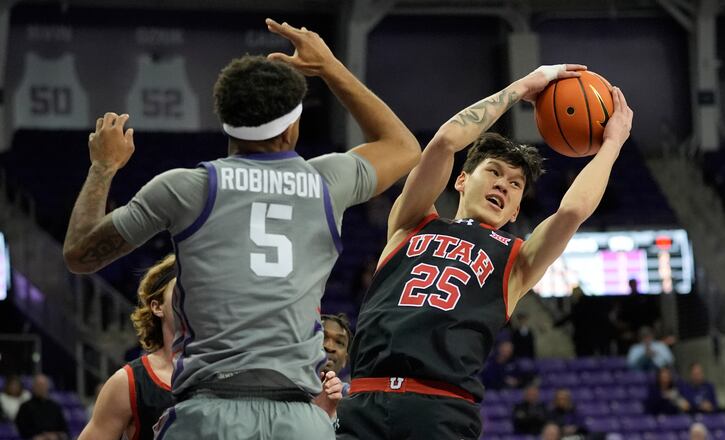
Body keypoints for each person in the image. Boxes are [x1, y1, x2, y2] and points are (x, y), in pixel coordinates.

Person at [61, 19, 420, 439]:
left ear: (226, 120)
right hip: (298, 418)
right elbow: (403, 147)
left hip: (208, 413)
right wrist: (329, 67)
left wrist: (103, 166)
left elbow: (80, 254)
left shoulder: (186, 187)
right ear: (292, 126)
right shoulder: (326, 182)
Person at [337, 64, 633, 438]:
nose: (503, 186)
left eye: (515, 185)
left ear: (514, 212)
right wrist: (523, 86)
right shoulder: (411, 222)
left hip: (440, 409)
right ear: (461, 180)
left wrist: (612, 145)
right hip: (365, 399)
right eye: (493, 172)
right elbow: (445, 141)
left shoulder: (517, 259)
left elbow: (572, 211)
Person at [78, 254, 177, 440]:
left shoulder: (225, 369)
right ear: (157, 307)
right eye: (181, 289)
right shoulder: (129, 382)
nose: (192, 298)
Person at [14, 374, 68, 440]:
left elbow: (64, 429)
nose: (41, 388)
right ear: (33, 387)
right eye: (38, 385)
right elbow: (21, 429)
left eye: (43, 385)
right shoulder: (25, 407)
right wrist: (37, 437)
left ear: (47, 386)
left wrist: (56, 435)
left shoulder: (55, 407)